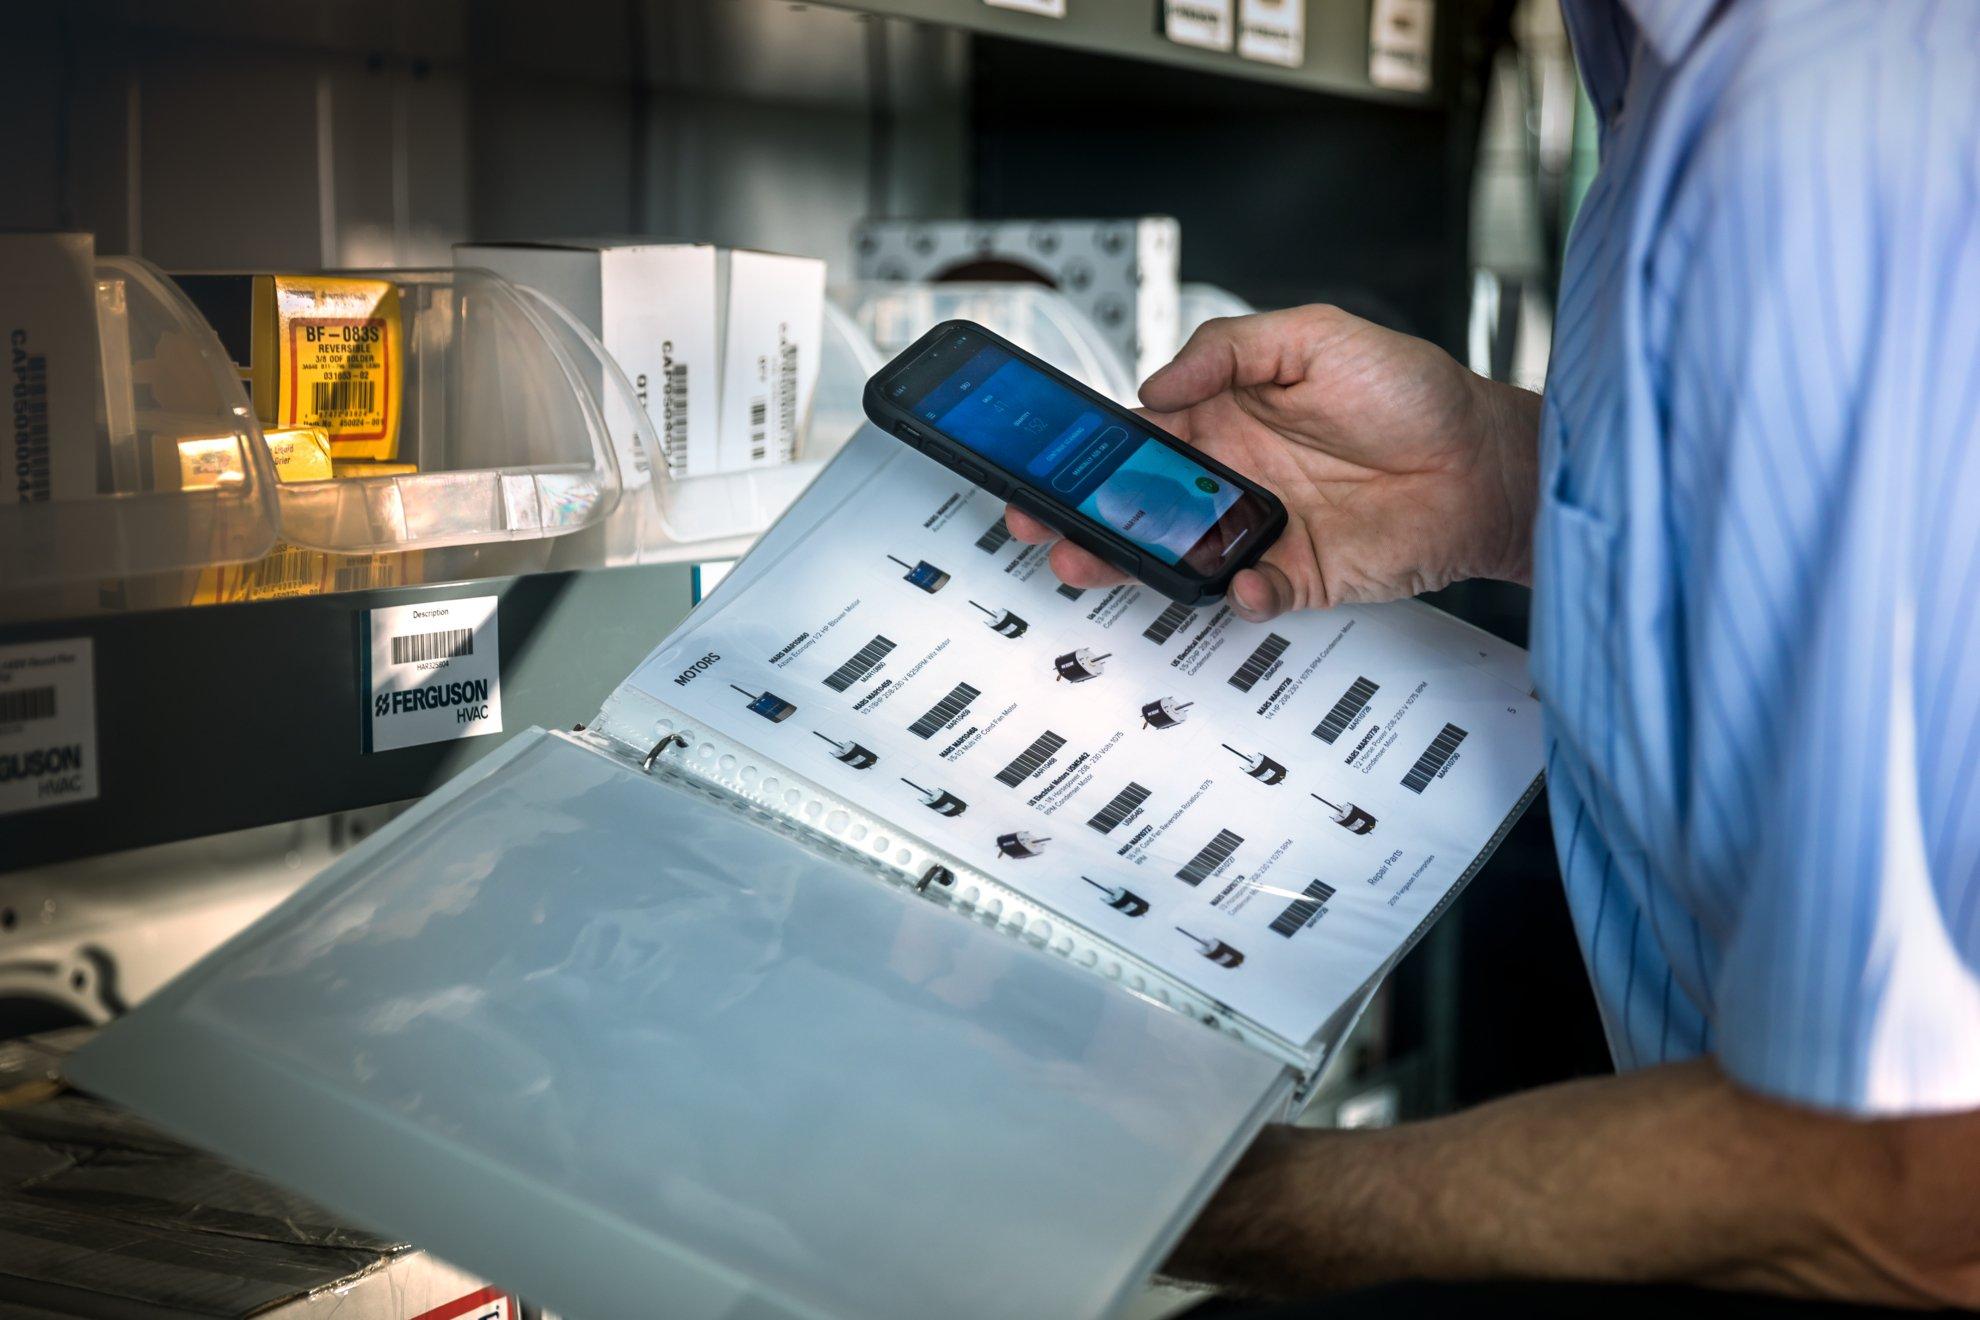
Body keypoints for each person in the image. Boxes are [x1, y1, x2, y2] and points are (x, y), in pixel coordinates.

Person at [1005, 1, 1980, 1312]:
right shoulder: (1692, 77)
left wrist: (1187, 1188)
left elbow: (1916, 1193)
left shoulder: (1810, 133)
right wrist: (1489, 471)